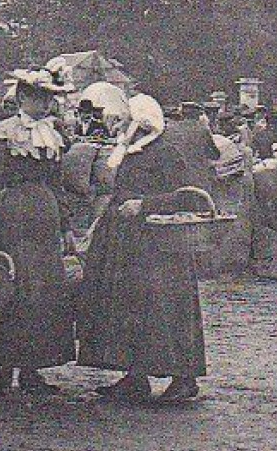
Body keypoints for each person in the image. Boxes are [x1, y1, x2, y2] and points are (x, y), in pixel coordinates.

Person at [78, 93, 209, 403]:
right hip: (130, 243)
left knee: (165, 310)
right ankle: (135, 375)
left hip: (160, 247)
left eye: (127, 122)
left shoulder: (167, 154)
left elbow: (187, 196)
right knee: (130, 308)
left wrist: (145, 205)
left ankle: (183, 377)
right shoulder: (132, 153)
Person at [0, 69, 78, 397]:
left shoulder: (52, 133)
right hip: (14, 215)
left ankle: (32, 369)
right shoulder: (3, 133)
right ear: (20, 98)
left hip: (44, 216)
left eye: (48, 98)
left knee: (42, 293)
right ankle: (3, 369)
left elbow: (57, 184)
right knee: (13, 289)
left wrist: (66, 225)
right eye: (36, 98)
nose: (44, 104)